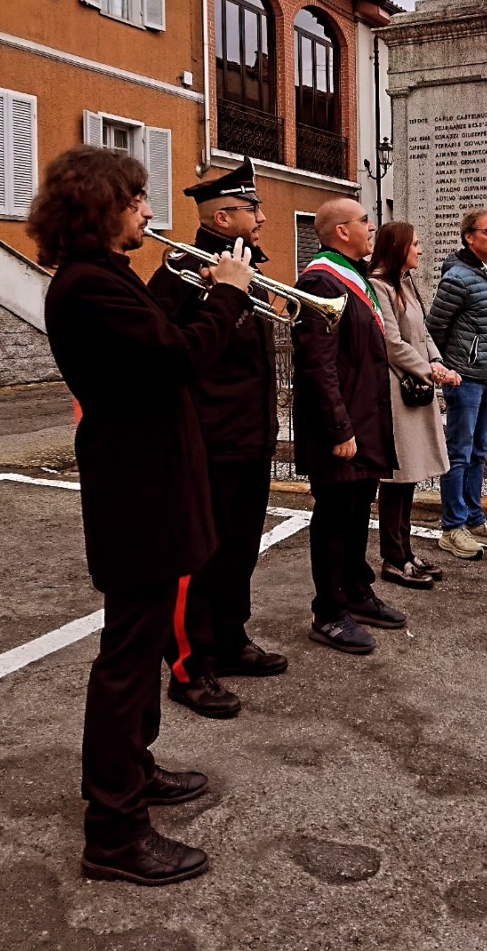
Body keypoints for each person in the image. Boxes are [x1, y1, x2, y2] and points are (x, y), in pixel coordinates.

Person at [28, 146, 253, 886]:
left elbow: (155, 332)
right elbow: (178, 359)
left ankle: (134, 767)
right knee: (126, 661)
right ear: (102, 208)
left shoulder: (107, 276)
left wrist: (194, 283)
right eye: (136, 201)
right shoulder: (88, 286)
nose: (149, 213)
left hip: (150, 484)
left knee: (142, 642)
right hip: (137, 492)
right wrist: (228, 296)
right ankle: (114, 831)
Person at [147, 157, 286, 721]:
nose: (262, 216)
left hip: (250, 437)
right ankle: (188, 667)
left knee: (239, 551)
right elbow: (166, 354)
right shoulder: (182, 271)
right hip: (209, 439)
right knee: (198, 560)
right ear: (223, 218)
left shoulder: (249, 269)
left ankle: (229, 639)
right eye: (253, 208)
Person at [292, 197, 405, 653]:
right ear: (341, 230)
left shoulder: (351, 275)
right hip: (341, 428)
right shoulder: (321, 280)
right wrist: (339, 429)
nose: (371, 227)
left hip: (363, 420)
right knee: (335, 518)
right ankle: (329, 611)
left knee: (358, 513)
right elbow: (317, 365)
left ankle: (356, 592)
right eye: (364, 220)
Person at [368, 222, 461, 588]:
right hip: (399, 391)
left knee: (409, 477)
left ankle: (404, 551)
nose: (421, 250)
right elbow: (392, 343)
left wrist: (437, 363)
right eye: (416, 244)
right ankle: (393, 557)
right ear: (398, 248)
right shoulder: (379, 285)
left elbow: (422, 335)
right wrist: (429, 370)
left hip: (416, 386)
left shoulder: (405, 282)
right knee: (397, 476)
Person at [426, 209, 487, 560]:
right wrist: (447, 368)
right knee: (459, 452)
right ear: (468, 237)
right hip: (466, 378)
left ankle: (475, 519)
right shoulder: (457, 279)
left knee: (479, 450)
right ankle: (452, 527)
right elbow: (435, 329)